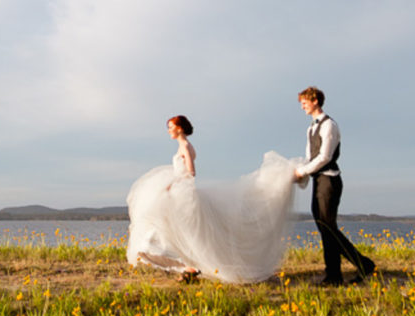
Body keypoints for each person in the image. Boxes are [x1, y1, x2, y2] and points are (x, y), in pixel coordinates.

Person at [126, 115, 300, 283]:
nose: (169, 131)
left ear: (179, 129)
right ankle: (187, 265)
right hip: (179, 191)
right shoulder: (183, 146)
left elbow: (191, 172)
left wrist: (173, 183)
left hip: (183, 193)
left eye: (171, 127)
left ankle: (190, 266)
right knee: (171, 227)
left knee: (184, 231)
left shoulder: (185, 146)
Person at [292, 86, 376, 286]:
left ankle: (351, 268)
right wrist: (300, 172)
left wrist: (302, 172)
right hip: (318, 181)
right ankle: (338, 272)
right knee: (325, 229)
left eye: (304, 102)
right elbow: (310, 157)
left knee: (328, 228)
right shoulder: (311, 128)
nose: (302, 106)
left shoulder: (329, 125)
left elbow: (325, 157)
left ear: (315, 101)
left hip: (329, 181)